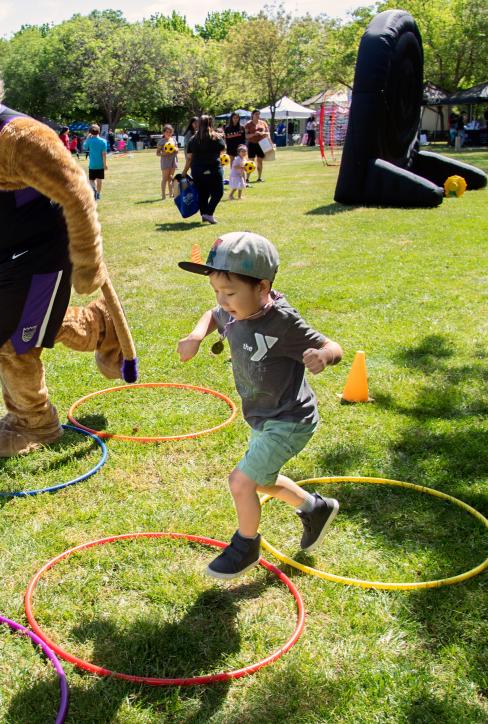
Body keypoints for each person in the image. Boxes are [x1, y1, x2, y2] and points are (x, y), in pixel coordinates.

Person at [176, 232, 344, 578]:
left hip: (291, 419)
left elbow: (334, 345)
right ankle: (315, 508)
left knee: (241, 482)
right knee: (263, 481)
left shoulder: (282, 321)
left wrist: (323, 356)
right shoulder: (234, 310)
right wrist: (195, 337)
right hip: (264, 418)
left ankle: (245, 546)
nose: (222, 301)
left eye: (230, 292)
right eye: (217, 291)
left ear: (263, 288)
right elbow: (211, 316)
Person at [181, 114, 226, 224]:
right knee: (218, 192)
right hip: (214, 168)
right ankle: (208, 213)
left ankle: (204, 214)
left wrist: (185, 171)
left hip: (197, 170)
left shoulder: (193, 139)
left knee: (203, 193)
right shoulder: (217, 137)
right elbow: (223, 151)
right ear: (211, 124)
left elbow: (189, 158)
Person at [82, 124, 108, 200]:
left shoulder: (89, 141)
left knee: (91, 180)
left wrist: (87, 138)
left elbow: (84, 147)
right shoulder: (103, 141)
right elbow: (104, 154)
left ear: (90, 132)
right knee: (99, 179)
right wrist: (105, 164)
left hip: (92, 164)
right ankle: (98, 194)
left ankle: (94, 190)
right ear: (99, 132)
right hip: (100, 163)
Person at [244, 109, 271, 183]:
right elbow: (246, 136)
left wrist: (263, 134)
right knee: (250, 162)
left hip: (262, 144)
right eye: (256, 114)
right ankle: (247, 178)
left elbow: (268, 133)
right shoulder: (248, 124)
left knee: (260, 161)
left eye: (259, 114)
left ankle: (259, 177)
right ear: (252, 115)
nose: (258, 116)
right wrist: (254, 134)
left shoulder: (263, 123)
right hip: (252, 144)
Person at [156, 124, 179, 199]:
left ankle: (171, 194)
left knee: (171, 178)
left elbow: (177, 149)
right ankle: (163, 195)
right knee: (165, 178)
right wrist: (164, 153)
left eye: (170, 132)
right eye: (167, 132)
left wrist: (175, 149)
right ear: (164, 133)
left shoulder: (174, 140)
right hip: (165, 161)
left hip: (173, 160)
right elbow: (157, 153)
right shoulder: (161, 142)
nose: (169, 133)